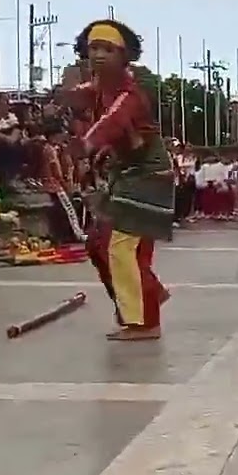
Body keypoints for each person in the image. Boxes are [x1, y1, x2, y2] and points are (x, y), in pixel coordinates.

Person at [72, 19, 173, 341]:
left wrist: (87, 145)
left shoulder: (128, 94)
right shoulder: (101, 89)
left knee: (120, 247)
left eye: (108, 50)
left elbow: (111, 123)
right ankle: (146, 300)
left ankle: (144, 320)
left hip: (147, 177)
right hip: (128, 175)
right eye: (93, 49)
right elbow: (79, 99)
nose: (99, 56)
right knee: (99, 245)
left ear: (124, 56)